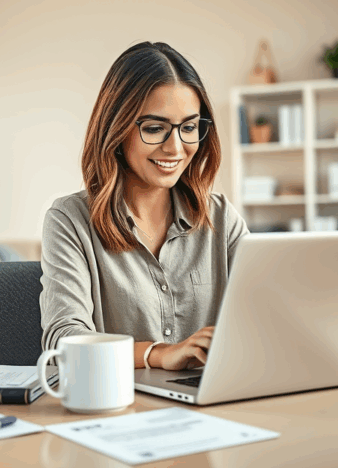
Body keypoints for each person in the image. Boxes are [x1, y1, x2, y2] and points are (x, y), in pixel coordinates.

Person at [39, 41, 249, 371]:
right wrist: (159, 353)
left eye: (189, 127)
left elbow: (268, 317)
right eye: (154, 128)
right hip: (121, 407)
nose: (175, 147)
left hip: (211, 404)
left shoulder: (222, 218)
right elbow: (65, 340)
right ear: (117, 129)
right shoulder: (69, 220)